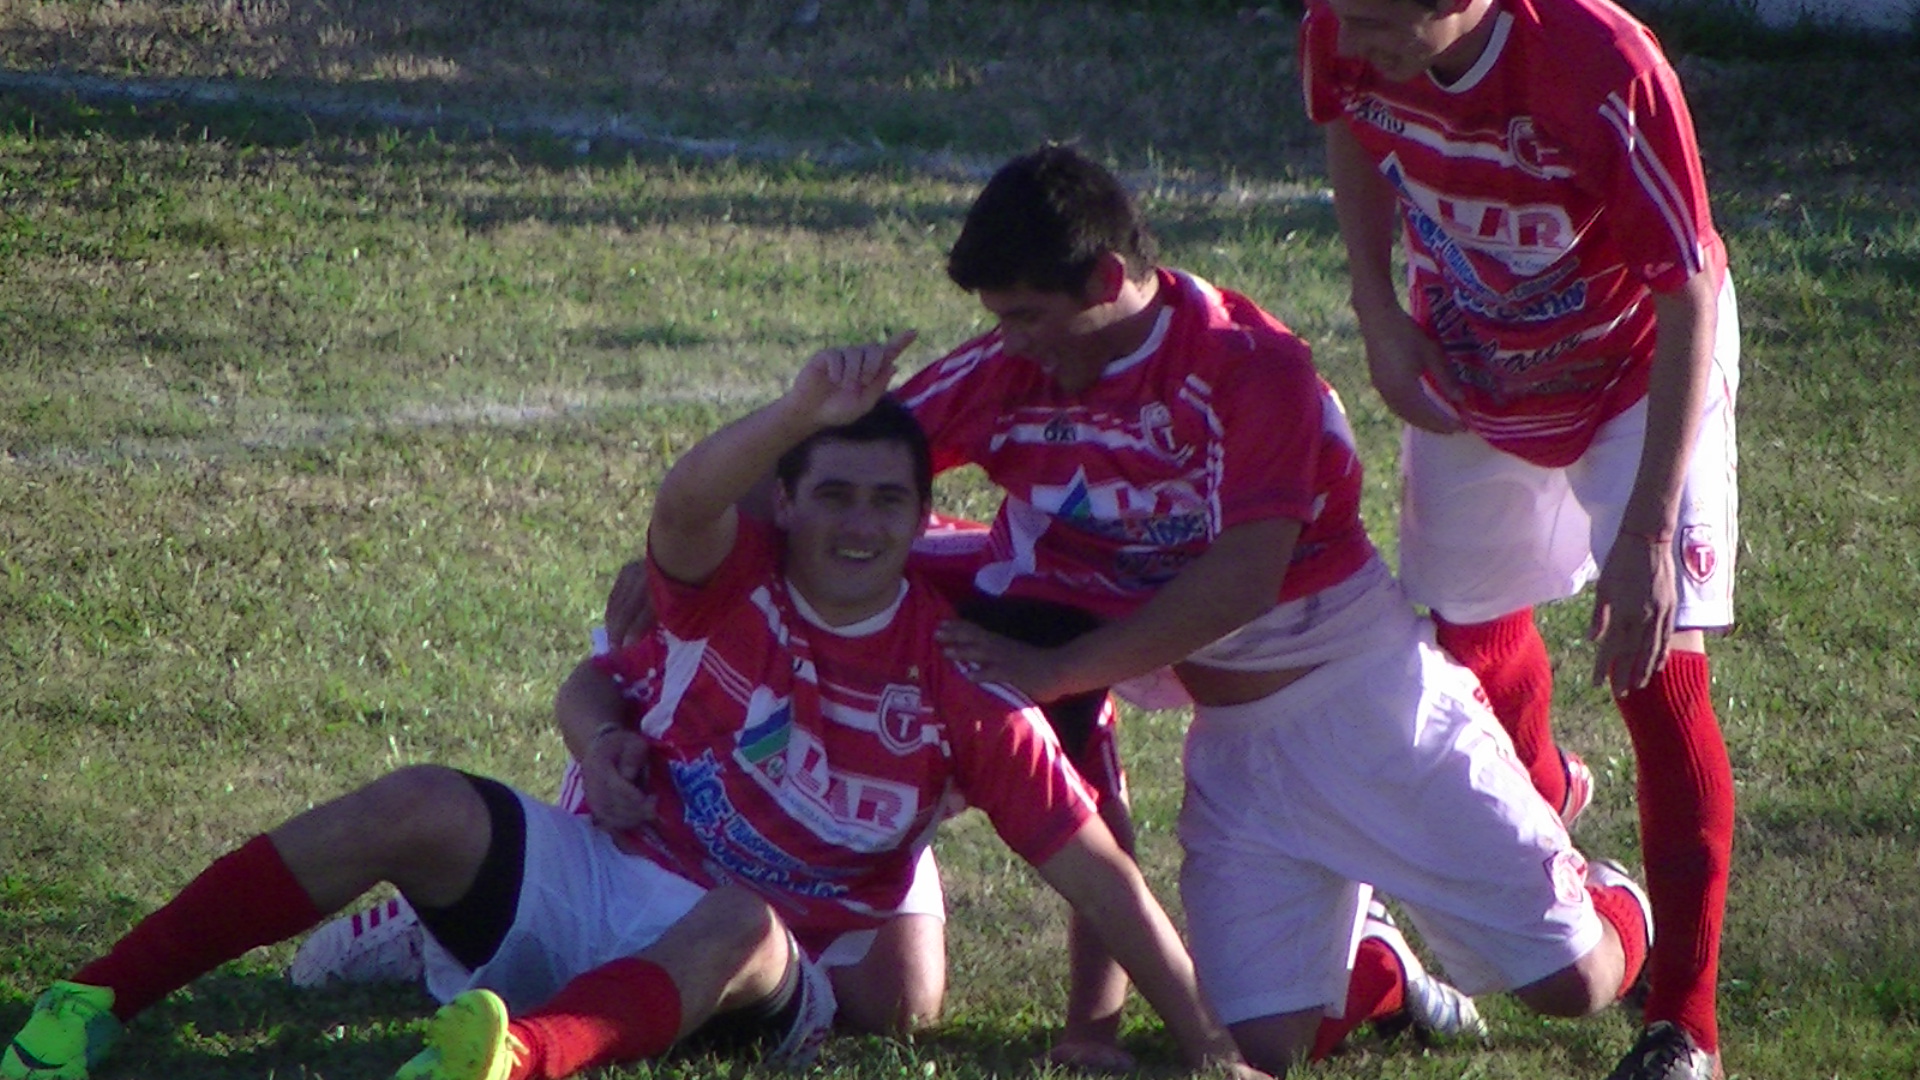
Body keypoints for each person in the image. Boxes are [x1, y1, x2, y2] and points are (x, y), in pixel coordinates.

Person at [0, 343, 1263, 1080]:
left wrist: (1204, 1042)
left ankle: (506, 1059)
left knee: (758, 923)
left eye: (887, 501)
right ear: (791, 504)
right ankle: (93, 998)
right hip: (602, 865)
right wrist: (792, 414)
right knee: (419, 799)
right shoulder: (731, 585)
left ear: (917, 514)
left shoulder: (960, 686)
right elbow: (680, 509)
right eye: (833, 496)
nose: (860, 524)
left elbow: (1098, 871)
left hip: (748, 954)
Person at [892, 143, 1657, 1075]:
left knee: (1572, 986)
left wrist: (1051, 671)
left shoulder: (1246, 364)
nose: (1010, 342)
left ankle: (1616, 898)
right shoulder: (1010, 369)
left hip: (1372, 712)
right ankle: (1373, 961)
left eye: (1027, 316)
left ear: (1103, 278)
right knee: (1261, 1051)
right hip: (1234, 750)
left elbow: (1242, 581)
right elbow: (845, 468)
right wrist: (686, 550)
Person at [1300, 1, 1739, 1076]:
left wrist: (1645, 531)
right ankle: (1546, 804)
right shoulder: (1341, 23)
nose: (1359, 42)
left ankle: (1684, 1022)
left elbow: (1687, 287)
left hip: (1639, 372)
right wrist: (1378, 311)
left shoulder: (1603, 66)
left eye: (1386, 24)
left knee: (1657, 672)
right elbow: (1350, 126)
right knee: (1466, 642)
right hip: (1474, 355)